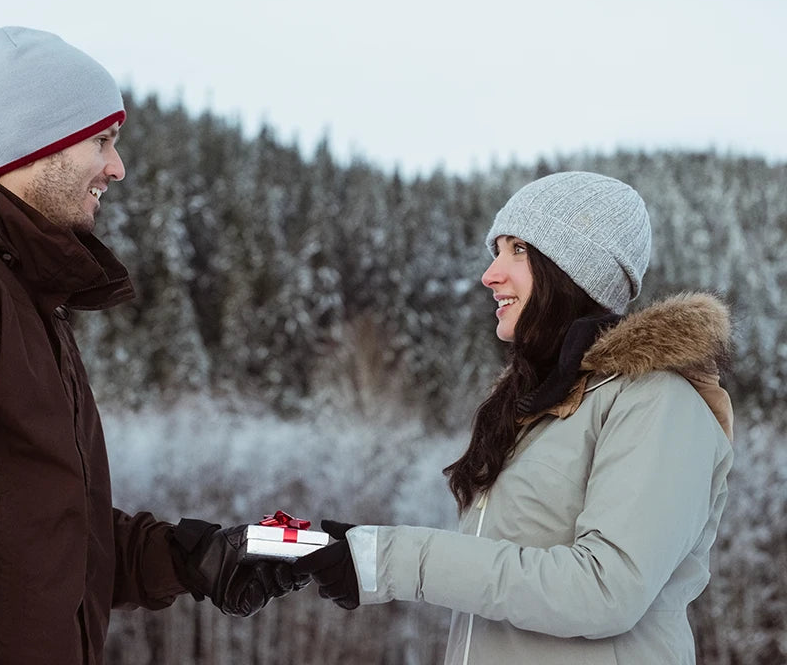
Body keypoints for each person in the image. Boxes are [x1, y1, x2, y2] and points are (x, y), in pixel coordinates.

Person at [0, 26, 301, 665]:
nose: (117, 168)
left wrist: (195, 558)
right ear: (36, 146)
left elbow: (45, 536)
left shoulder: (19, 295)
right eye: (102, 140)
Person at [296, 171, 734, 665]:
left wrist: (391, 559)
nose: (490, 274)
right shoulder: (541, 407)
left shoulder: (658, 402)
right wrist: (345, 551)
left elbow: (604, 592)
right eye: (496, 250)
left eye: (518, 250)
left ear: (575, 270)